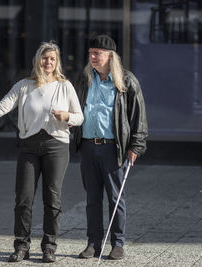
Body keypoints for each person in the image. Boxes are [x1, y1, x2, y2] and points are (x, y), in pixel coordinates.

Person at [0, 41, 84, 263]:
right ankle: (21, 246)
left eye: (52, 59)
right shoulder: (24, 86)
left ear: (57, 62)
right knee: (23, 198)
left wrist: (66, 117)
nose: (48, 62)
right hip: (29, 146)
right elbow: (2, 106)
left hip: (56, 145)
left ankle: (49, 247)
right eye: (45, 58)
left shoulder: (64, 86)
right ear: (38, 60)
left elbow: (80, 117)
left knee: (52, 197)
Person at [73, 35, 148, 260]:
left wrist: (136, 145)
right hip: (88, 146)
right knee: (92, 198)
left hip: (113, 148)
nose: (93, 57)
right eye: (91, 53)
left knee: (116, 197)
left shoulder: (126, 80)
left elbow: (139, 117)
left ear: (110, 56)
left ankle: (117, 243)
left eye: (98, 53)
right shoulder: (85, 78)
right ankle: (93, 243)